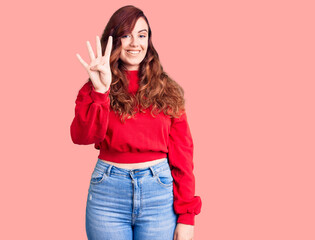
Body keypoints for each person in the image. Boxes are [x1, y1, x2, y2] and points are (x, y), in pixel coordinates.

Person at [70, 5, 202, 240]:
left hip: (159, 196)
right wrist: (101, 92)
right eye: (126, 35)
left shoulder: (168, 90)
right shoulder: (94, 87)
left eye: (142, 35)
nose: (134, 43)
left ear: (149, 40)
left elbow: (183, 155)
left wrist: (187, 216)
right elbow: (82, 137)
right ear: (113, 39)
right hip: (108, 196)